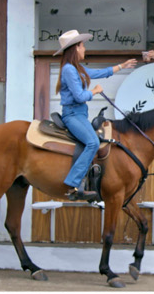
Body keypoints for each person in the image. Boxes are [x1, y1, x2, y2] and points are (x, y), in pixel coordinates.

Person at [53, 29, 138, 203]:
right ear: (76, 48)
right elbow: (79, 96)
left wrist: (122, 66)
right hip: (72, 115)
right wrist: (95, 91)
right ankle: (74, 183)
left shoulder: (77, 68)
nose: (84, 49)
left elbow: (98, 73)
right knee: (93, 142)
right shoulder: (69, 69)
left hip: (79, 115)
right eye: (82, 46)